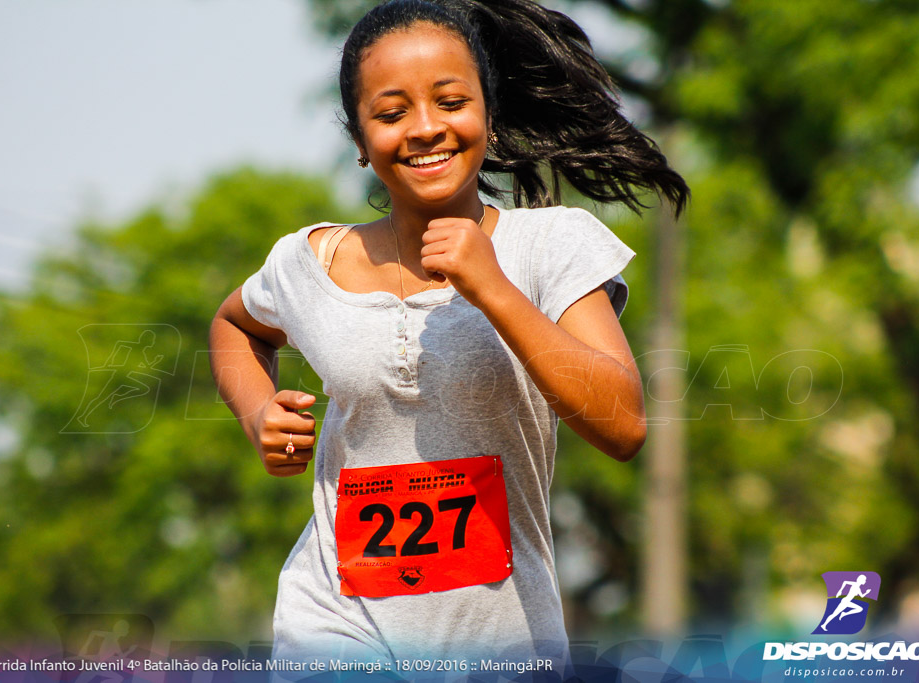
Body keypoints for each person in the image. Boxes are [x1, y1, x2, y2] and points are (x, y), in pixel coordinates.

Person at [208, 0, 689, 673]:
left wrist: (491, 286)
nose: (425, 128)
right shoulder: (307, 262)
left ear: (487, 115)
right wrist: (259, 409)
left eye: (450, 100)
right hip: (333, 630)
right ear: (358, 138)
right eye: (392, 111)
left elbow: (623, 423)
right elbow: (233, 324)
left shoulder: (549, 246)